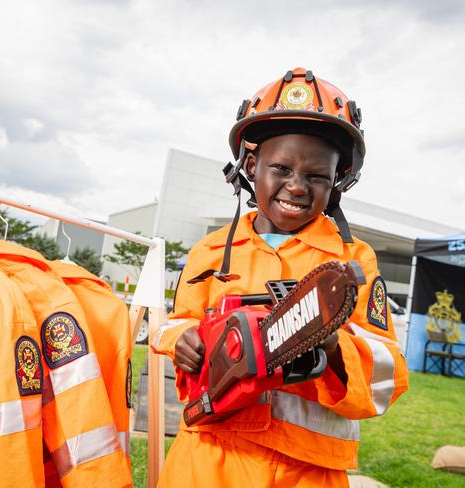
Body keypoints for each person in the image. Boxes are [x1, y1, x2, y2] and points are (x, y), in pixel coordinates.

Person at [151, 68, 409, 487]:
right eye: (282, 168)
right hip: (206, 459)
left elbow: (387, 375)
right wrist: (179, 340)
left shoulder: (353, 262)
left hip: (305, 471)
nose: (297, 186)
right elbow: (178, 320)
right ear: (251, 166)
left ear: (338, 180)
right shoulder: (211, 252)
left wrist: (331, 343)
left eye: (316, 176)